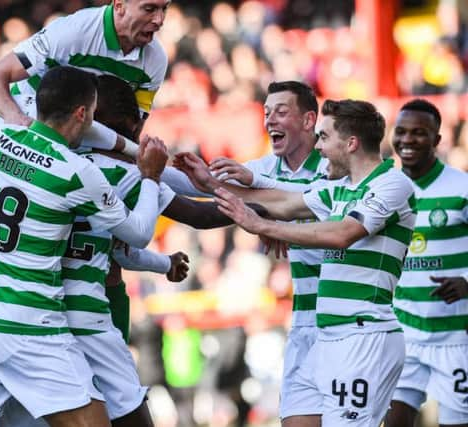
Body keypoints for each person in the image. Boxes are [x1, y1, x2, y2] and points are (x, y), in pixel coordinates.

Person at [0, 66, 169, 427]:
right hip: (27, 326)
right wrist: (152, 178)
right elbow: (138, 233)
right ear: (83, 114)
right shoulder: (76, 171)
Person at [177, 99, 415, 426]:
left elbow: (344, 233)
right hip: (326, 336)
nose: (318, 147)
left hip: (365, 336)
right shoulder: (339, 189)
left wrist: (261, 225)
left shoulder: (393, 184)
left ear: (351, 143)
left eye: (324, 138)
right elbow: (282, 202)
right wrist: (210, 184)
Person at [164, 80, 328, 427]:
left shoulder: (334, 164)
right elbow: (210, 189)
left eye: (282, 112)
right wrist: (149, 169)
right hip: (304, 320)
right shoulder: (264, 168)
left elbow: (313, 199)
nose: (270, 120)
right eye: (267, 112)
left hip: (349, 321)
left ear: (309, 120)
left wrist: (268, 214)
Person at [0, 0, 171, 156]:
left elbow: (131, 133)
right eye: (149, 9)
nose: (159, 20)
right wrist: (15, 119)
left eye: (164, 8)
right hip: (31, 127)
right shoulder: (72, 32)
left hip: (82, 140)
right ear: (119, 6)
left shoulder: (156, 60)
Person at [384, 99, 468, 427]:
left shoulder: (461, 187)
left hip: (456, 335)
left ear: (437, 139)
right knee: (393, 422)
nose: (407, 140)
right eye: (401, 132)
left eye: (419, 133)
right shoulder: (385, 189)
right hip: (405, 332)